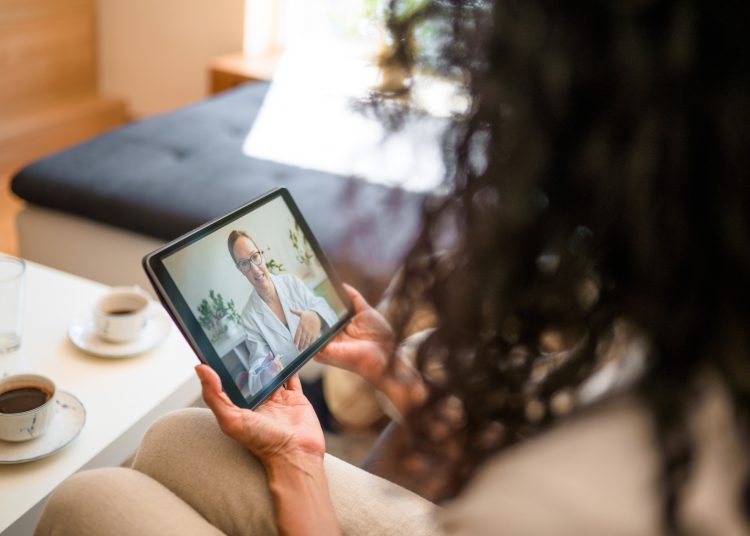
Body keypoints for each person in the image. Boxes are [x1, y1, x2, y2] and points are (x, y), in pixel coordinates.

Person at [35, 1, 750, 535]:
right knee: (175, 437)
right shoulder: (680, 355)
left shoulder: (559, 503)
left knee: (92, 497)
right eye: (245, 264)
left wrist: (298, 467)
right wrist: (389, 370)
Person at [228, 230, 338, 394]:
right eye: (244, 263)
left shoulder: (290, 282)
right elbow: (257, 369)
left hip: (329, 364)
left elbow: (330, 314)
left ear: (261, 254)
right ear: (240, 269)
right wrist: (267, 372)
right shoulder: (248, 318)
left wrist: (316, 316)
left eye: (255, 257)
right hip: (299, 388)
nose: (255, 269)